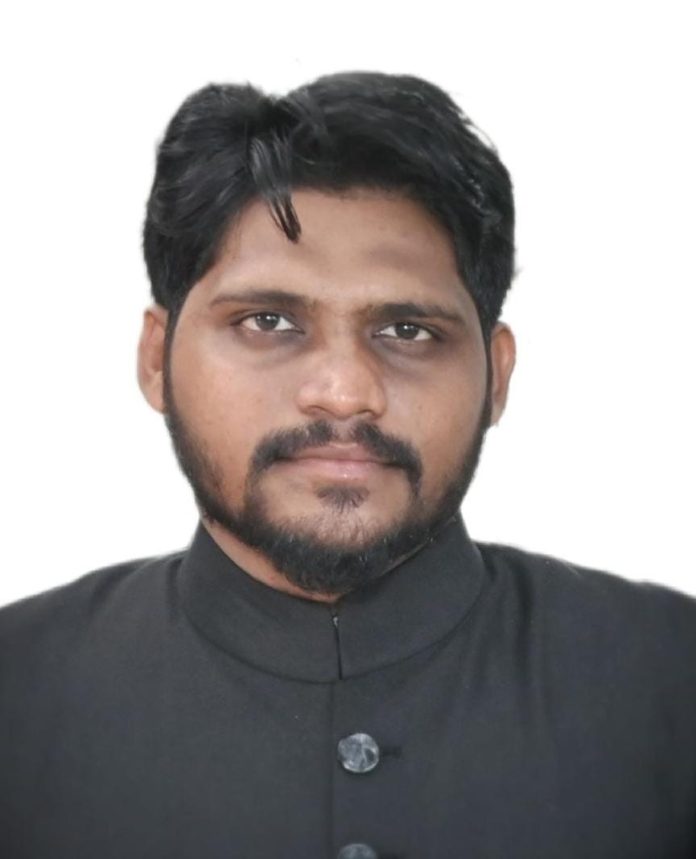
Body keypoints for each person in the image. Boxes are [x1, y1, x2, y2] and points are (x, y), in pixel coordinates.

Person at [1, 71, 694, 859]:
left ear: (497, 376)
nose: (345, 391)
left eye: (407, 331)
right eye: (268, 320)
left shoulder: (674, 677)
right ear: (156, 359)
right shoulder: (19, 691)